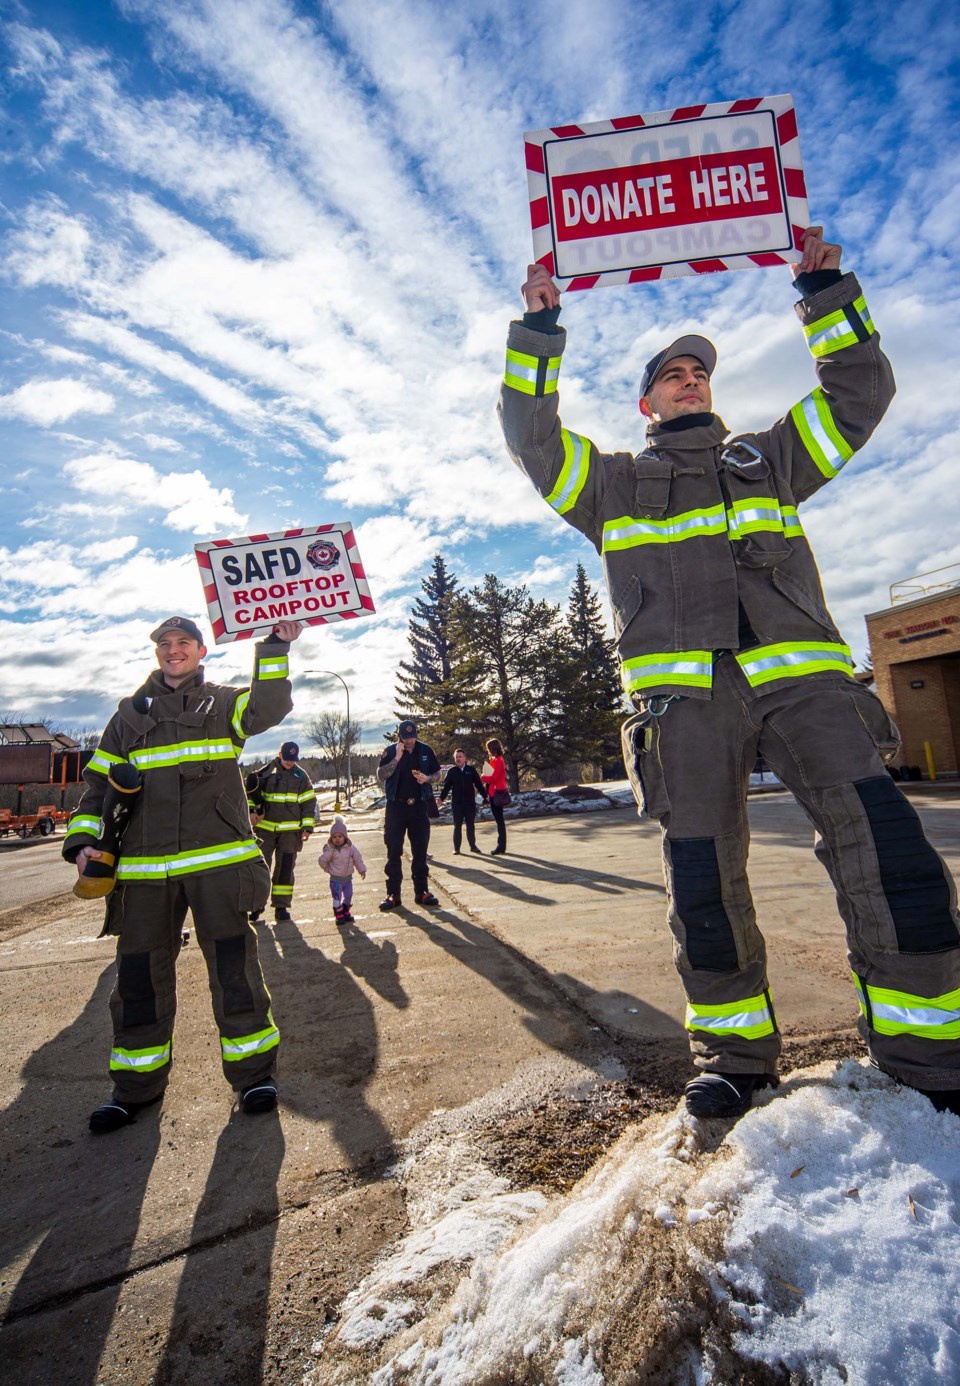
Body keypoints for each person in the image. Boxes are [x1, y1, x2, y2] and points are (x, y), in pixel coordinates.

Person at [499, 227, 960, 1120]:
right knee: (704, 881)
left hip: (809, 692)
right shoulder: (613, 483)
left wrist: (827, 296)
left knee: (893, 855)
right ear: (645, 403)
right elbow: (532, 435)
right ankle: (735, 1059)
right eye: (673, 375)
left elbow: (859, 394)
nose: (691, 381)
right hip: (685, 706)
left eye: (699, 372)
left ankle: (932, 1059)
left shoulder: (769, 459)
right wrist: (539, 333)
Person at [63, 615, 303, 1132]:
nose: (174, 651)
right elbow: (98, 788)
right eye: (165, 645)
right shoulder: (126, 717)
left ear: (200, 652)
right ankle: (134, 1089)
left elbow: (269, 706)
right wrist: (84, 842)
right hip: (145, 873)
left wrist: (276, 645)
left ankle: (255, 1077)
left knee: (235, 972)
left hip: (218, 866)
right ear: (158, 654)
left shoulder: (223, 702)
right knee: (137, 981)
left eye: (184, 644)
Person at [377, 718, 442, 910]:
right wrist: (396, 758)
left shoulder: (425, 750)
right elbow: (381, 776)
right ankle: (393, 894)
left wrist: (428, 778)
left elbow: (438, 774)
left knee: (420, 851)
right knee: (394, 851)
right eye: (406, 738)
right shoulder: (390, 751)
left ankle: (422, 892)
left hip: (418, 806)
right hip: (396, 807)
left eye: (412, 737)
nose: (410, 741)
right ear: (400, 737)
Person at [248, 740, 316, 923]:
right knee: (261, 869)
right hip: (265, 832)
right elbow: (251, 794)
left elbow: (308, 803)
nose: (289, 762)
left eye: (292, 759)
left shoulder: (301, 777)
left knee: (285, 869)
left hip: (290, 833)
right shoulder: (265, 773)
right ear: (280, 755)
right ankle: (256, 906)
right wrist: (252, 812)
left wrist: (307, 827)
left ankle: (281, 907)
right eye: (286, 759)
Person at [318, 815, 367, 924]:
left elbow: (357, 859)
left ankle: (345, 910)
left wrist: (361, 870)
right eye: (334, 837)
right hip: (336, 879)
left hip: (348, 879)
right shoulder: (330, 850)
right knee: (337, 897)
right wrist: (328, 869)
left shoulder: (350, 848)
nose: (337, 839)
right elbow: (322, 861)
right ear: (331, 838)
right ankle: (338, 914)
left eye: (340, 836)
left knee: (348, 895)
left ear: (345, 837)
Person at [439, 748, 487, 854]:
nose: (458, 759)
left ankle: (473, 846)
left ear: (465, 758)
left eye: (460, 756)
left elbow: (479, 784)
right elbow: (446, 787)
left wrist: (485, 796)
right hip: (457, 804)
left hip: (470, 803)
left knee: (470, 825)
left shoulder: (471, 770)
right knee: (457, 826)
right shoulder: (452, 771)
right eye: (456, 757)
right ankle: (456, 848)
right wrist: (441, 799)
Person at [480, 739, 509, 855]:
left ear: (492, 749)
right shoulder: (496, 760)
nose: (488, 751)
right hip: (495, 792)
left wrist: (483, 777)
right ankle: (501, 845)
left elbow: (493, 777)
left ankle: (501, 846)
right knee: (499, 820)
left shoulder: (498, 760)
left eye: (488, 748)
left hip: (496, 793)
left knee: (499, 820)